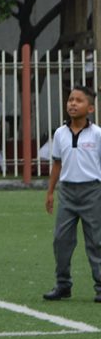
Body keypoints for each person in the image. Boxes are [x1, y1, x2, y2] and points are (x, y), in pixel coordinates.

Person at [42, 85, 101, 303]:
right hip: (67, 192)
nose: (73, 104)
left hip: (92, 191)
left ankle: (100, 286)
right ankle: (63, 284)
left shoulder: (97, 134)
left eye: (79, 100)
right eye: (70, 100)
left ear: (91, 108)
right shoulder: (60, 133)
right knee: (61, 240)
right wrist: (50, 192)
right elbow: (57, 164)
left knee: (96, 241)